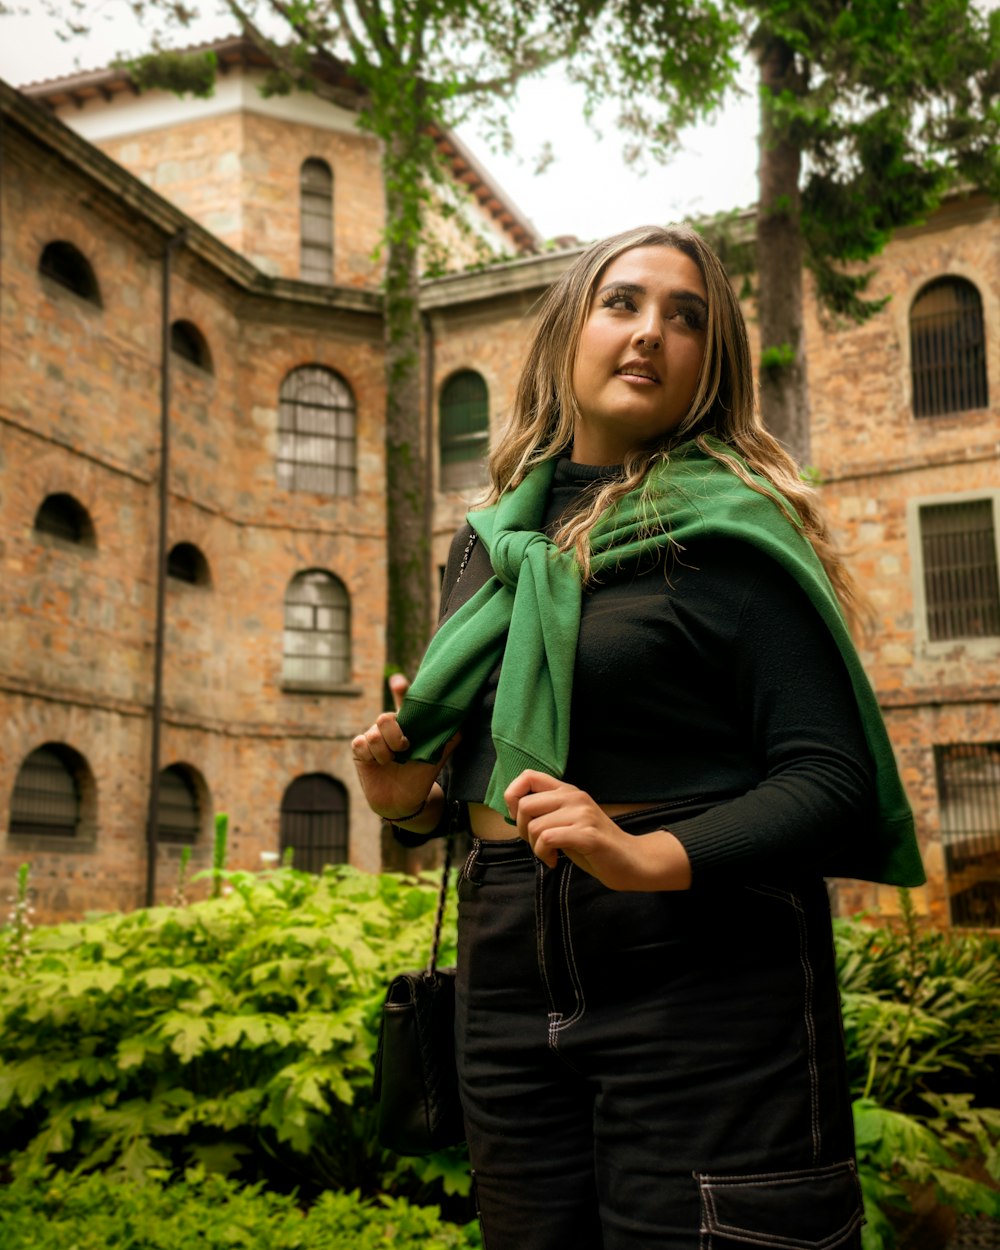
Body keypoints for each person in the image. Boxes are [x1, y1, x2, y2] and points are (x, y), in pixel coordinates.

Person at [352, 224, 924, 1250]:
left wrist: (646, 855)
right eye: (622, 303)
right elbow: (495, 768)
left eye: (686, 316)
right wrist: (415, 805)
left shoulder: (731, 528)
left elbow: (832, 777)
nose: (650, 330)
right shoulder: (489, 544)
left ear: (712, 364)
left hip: (699, 970)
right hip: (504, 962)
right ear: (568, 330)